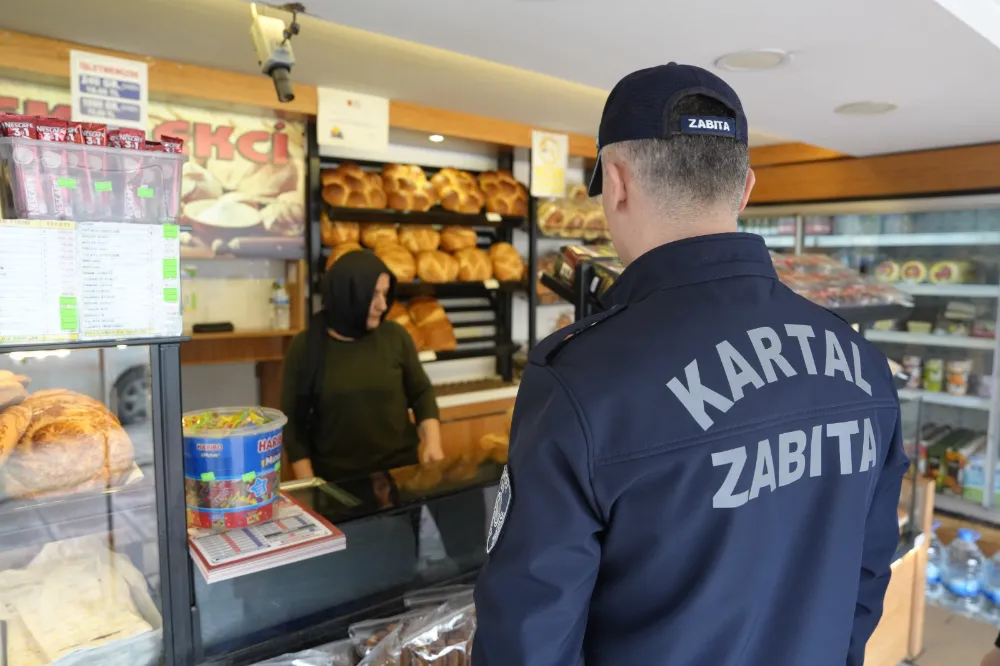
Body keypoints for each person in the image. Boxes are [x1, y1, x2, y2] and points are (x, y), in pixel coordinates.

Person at [473, 63, 909, 666]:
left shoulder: (582, 379)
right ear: (745, 188)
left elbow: (528, 640)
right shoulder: (861, 361)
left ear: (616, 183)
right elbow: (866, 574)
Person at [281, 251, 444, 491]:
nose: (382, 305)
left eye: (385, 294)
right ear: (346, 294)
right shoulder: (306, 346)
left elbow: (421, 393)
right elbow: (293, 423)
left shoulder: (395, 336)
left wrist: (433, 442)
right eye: (372, 294)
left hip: (400, 476)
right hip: (336, 482)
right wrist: (309, 484)